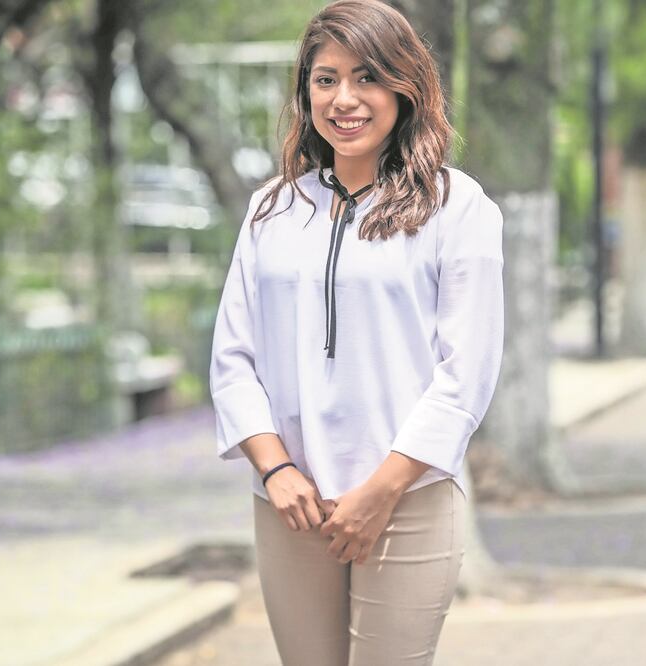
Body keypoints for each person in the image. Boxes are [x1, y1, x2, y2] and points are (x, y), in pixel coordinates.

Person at [208, 1, 505, 664]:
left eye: (367, 77)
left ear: (406, 86)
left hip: (409, 499)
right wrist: (276, 469)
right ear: (305, 92)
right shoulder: (271, 208)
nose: (345, 98)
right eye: (325, 79)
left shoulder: (458, 209)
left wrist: (381, 490)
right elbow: (233, 360)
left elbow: (466, 376)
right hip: (292, 504)